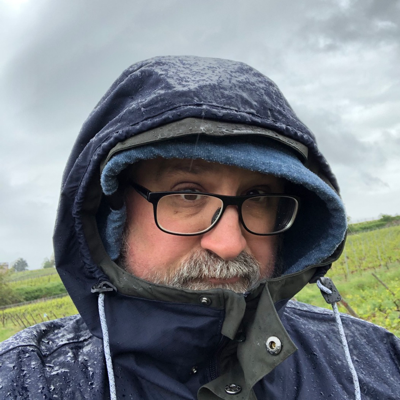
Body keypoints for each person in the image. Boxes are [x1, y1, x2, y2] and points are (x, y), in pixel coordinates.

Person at [0, 56, 399, 400]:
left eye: (258, 196)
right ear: (111, 214)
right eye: (188, 194)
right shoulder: (26, 381)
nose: (229, 244)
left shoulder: (375, 363)